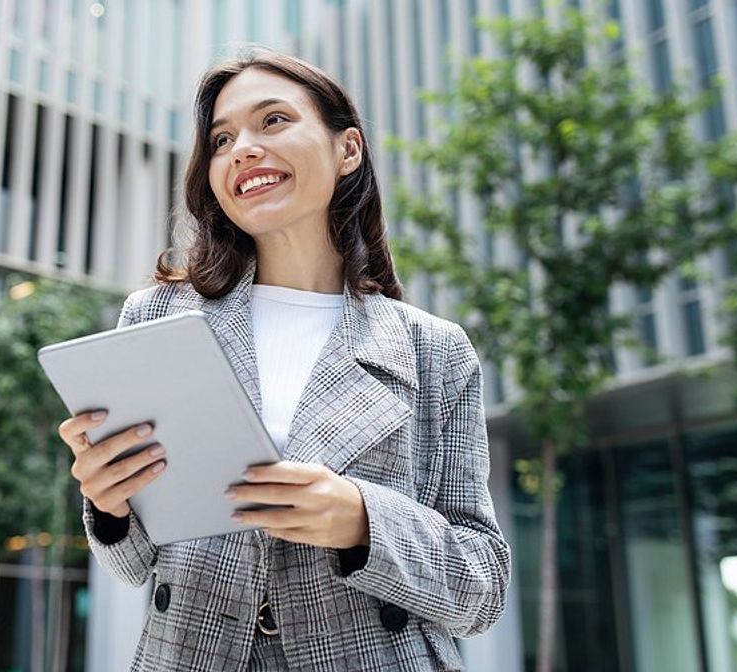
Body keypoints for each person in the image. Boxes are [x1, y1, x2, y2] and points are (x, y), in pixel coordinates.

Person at [57, 49, 510, 671]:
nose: (241, 148)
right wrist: (108, 504)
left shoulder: (433, 349)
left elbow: (482, 589)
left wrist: (362, 519)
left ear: (346, 150)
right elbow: (133, 563)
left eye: (272, 121)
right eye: (221, 139)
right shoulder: (157, 317)